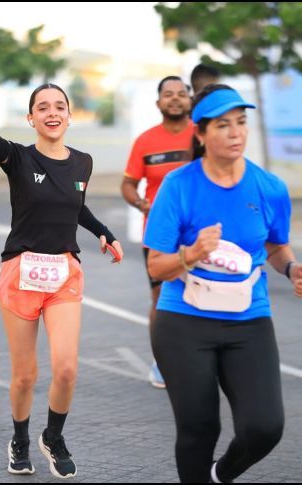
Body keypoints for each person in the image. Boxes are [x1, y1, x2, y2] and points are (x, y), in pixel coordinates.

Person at [0, 35, 124, 479]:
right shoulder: (16, 158)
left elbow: (75, 203)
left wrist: (103, 232)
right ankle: (19, 437)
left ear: (70, 116)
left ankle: (52, 437)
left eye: (60, 105)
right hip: (21, 271)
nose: (52, 112)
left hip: (63, 274)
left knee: (67, 368)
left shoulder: (83, 163)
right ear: (32, 118)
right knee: (24, 377)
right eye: (43, 106)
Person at [144, 84, 302, 483]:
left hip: (249, 319)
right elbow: (157, 265)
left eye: (241, 122)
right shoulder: (178, 186)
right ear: (201, 134)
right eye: (224, 125)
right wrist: (192, 253)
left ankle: (221, 474)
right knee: (200, 429)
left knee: (265, 427)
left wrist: (292, 270)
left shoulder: (269, 187)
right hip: (183, 321)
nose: (236, 132)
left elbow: (276, 246)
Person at [120, 76, 194, 389]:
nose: (175, 99)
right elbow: (127, 184)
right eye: (168, 94)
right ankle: (162, 361)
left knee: (204, 295)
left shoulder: (201, 136)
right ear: (158, 103)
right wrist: (140, 203)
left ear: (190, 100)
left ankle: (200, 358)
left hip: (198, 232)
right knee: (161, 298)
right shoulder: (146, 141)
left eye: (181, 94)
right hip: (160, 235)